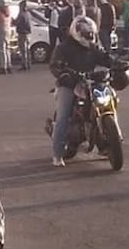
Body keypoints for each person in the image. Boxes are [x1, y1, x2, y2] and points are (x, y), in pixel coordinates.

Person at [48, 16, 121, 167]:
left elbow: (105, 57)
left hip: (89, 82)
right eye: (86, 34)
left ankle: (105, 145)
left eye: (91, 34)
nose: (89, 37)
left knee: (107, 99)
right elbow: (55, 64)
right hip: (68, 83)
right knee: (63, 116)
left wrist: (117, 63)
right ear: (77, 32)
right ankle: (57, 154)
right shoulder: (63, 47)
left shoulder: (92, 47)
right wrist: (62, 71)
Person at [15, 0, 33, 71]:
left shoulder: (21, 14)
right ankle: (28, 64)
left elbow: (17, 22)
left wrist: (12, 21)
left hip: (22, 33)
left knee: (23, 50)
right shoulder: (28, 14)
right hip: (28, 33)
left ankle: (24, 64)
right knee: (28, 49)